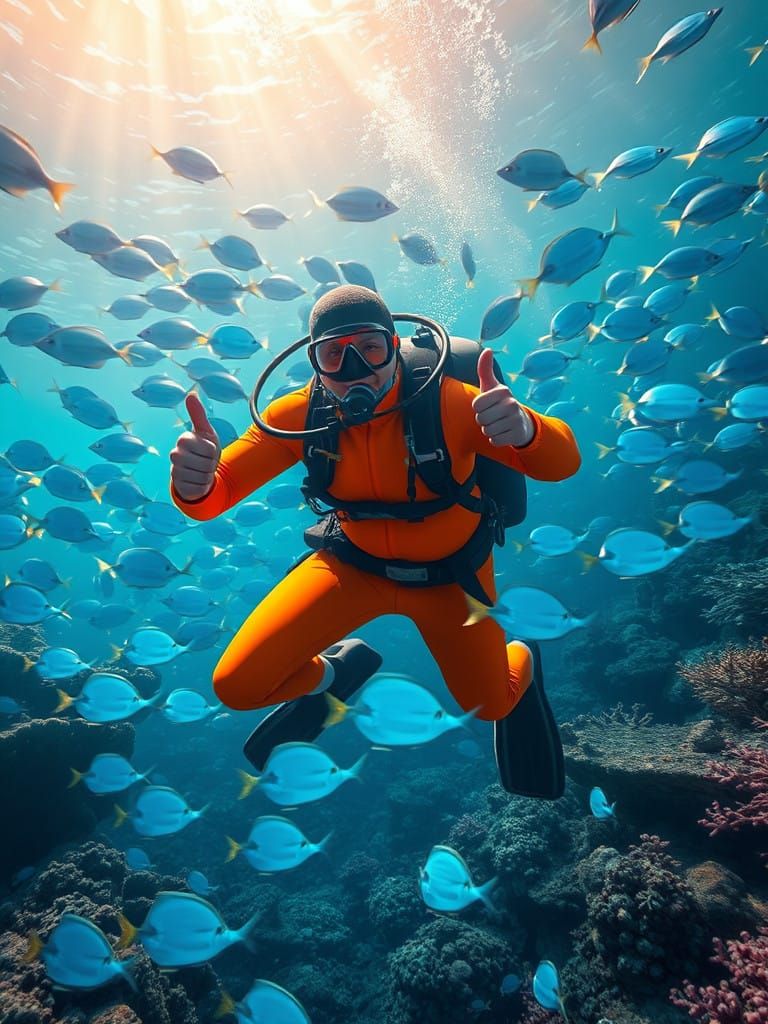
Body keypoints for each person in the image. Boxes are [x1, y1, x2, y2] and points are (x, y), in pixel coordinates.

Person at [169, 285, 581, 797]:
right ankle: (336, 673)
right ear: (314, 363)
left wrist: (525, 429)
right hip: (351, 568)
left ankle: (520, 654)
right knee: (237, 686)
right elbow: (215, 495)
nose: (354, 368)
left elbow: (562, 464)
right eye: (333, 353)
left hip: (452, 578)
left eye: (370, 348)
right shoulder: (299, 416)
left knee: (496, 704)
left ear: (393, 346)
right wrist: (193, 482)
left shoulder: (451, 402)